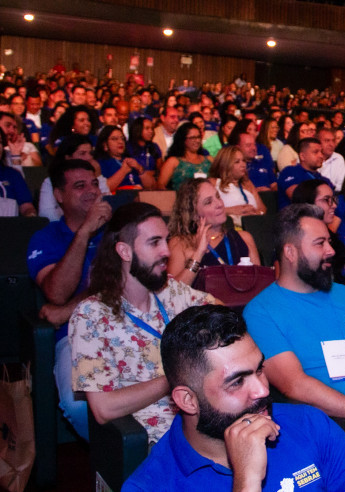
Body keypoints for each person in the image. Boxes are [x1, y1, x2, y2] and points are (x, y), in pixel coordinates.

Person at [122, 305, 345, 492]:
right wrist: (247, 482)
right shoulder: (151, 485)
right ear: (188, 400)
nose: (262, 391)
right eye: (237, 381)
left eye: (259, 369)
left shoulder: (310, 424)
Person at [243, 204, 345, 426]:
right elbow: (294, 385)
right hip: (328, 422)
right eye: (320, 243)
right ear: (290, 252)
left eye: (328, 241)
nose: (331, 250)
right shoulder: (261, 311)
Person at [70, 202, 217, 445]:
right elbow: (103, 408)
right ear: (125, 252)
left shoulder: (171, 292)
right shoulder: (91, 316)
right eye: (154, 242)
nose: (167, 251)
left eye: (165, 240)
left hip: (206, 423)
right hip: (156, 440)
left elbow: (222, 315)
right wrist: (177, 375)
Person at [27, 158, 112, 439]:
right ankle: (115, 459)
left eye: (94, 183)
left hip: (129, 323)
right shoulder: (46, 237)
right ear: (59, 196)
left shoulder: (117, 230)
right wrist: (85, 231)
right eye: (79, 186)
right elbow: (57, 293)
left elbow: (133, 282)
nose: (91, 191)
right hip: (77, 333)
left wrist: (67, 309)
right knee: (77, 406)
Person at [167, 178, 260, 286]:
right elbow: (173, 294)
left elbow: (260, 285)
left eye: (218, 197)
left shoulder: (244, 238)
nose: (219, 204)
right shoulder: (180, 244)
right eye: (208, 202)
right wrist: (198, 255)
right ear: (193, 214)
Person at [291, 179, 345, 301]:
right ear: (308, 204)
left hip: (342, 302)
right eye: (326, 200)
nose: (334, 205)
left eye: (333, 200)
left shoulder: (340, 242)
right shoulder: (291, 243)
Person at [207, 146, 265, 227]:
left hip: (253, 227)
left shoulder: (247, 183)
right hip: (227, 228)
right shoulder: (213, 183)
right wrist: (230, 210)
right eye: (237, 162)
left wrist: (255, 213)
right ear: (225, 164)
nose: (243, 165)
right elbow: (204, 211)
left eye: (243, 161)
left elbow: (263, 210)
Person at [276, 137, 332, 209]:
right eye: (315, 152)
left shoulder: (324, 180)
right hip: (294, 218)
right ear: (302, 156)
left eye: (321, 152)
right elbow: (297, 197)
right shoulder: (290, 172)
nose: (321, 156)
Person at [158, 122, 211, 190]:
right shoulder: (173, 162)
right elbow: (160, 185)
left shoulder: (209, 160)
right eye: (193, 138)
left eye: (198, 137)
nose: (197, 140)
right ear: (183, 140)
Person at [95, 125, 147, 193]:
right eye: (114, 139)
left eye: (122, 139)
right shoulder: (100, 164)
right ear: (105, 145)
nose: (120, 142)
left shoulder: (132, 160)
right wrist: (123, 171)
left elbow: (152, 187)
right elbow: (103, 189)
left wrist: (140, 169)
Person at [126, 117, 162, 188]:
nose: (151, 131)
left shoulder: (154, 147)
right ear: (138, 129)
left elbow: (160, 170)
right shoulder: (127, 147)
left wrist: (151, 173)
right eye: (147, 128)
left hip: (151, 185)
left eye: (152, 128)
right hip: (132, 184)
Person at [317, 127, 345, 191]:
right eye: (327, 141)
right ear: (318, 142)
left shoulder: (339, 159)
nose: (331, 144)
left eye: (333, 141)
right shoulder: (309, 157)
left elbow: (340, 186)